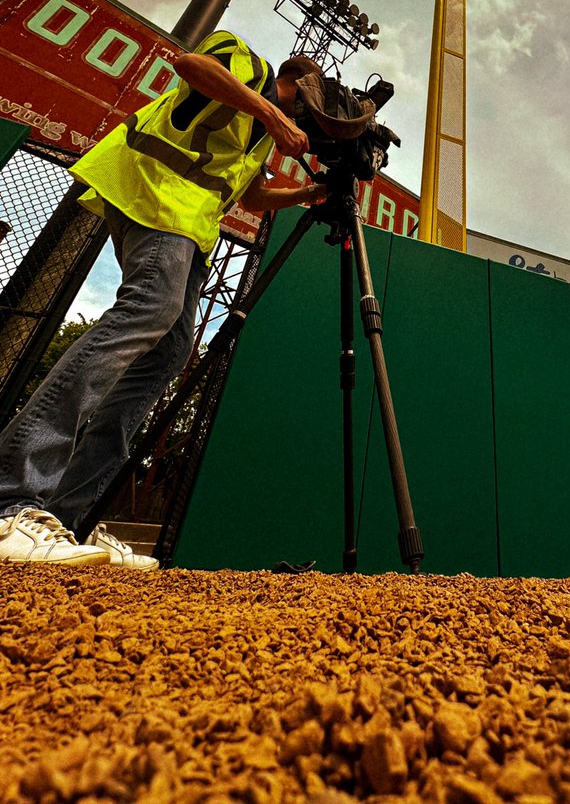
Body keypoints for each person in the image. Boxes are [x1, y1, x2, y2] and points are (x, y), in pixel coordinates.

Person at [0, 30, 326, 569]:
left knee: (169, 351)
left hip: (188, 223)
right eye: (312, 106)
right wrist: (271, 113)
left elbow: (251, 196)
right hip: (153, 193)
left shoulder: (264, 134)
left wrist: (310, 193)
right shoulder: (248, 64)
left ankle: (66, 517)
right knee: (148, 310)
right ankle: (12, 495)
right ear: (301, 83)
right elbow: (191, 64)